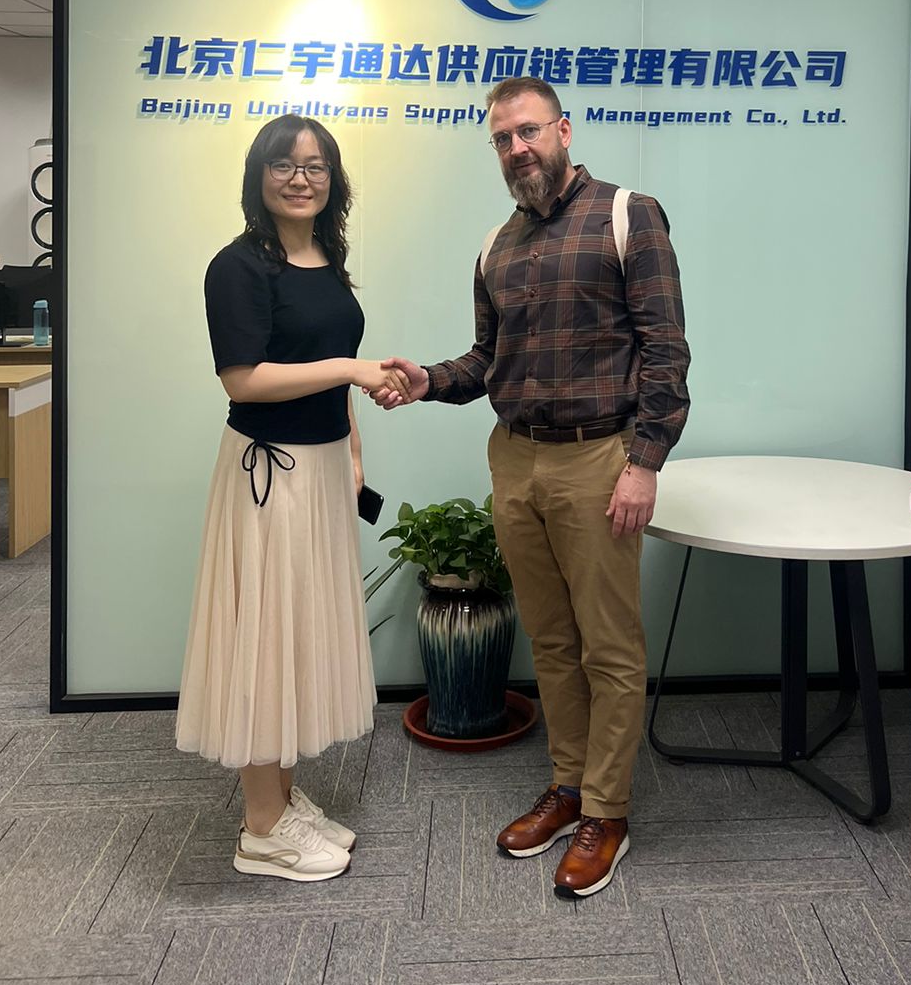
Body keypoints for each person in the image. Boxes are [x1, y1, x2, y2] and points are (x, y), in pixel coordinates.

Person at [375, 76, 690, 898]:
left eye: (528, 132)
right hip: (515, 461)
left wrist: (645, 462)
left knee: (609, 647)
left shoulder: (629, 216)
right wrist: (427, 381)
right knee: (550, 641)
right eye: (502, 140)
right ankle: (569, 785)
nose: (516, 149)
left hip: (599, 460)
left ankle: (608, 814)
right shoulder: (496, 247)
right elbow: (489, 361)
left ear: (563, 131)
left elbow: (666, 350)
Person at [175, 114, 408, 882]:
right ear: (259, 175)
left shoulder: (326, 259)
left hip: (322, 470)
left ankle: (278, 797)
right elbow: (244, 379)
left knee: (294, 635)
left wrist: (354, 454)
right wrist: (352, 370)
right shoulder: (238, 267)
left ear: (334, 180)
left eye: (315, 166)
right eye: (284, 164)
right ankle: (262, 829)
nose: (301, 178)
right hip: (268, 478)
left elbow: (330, 367)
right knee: (263, 638)